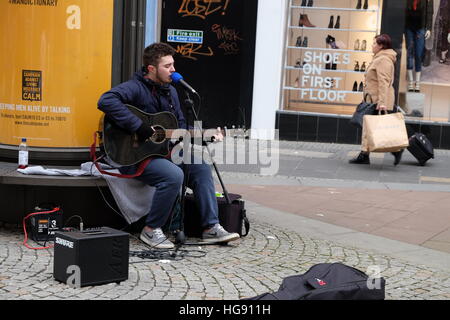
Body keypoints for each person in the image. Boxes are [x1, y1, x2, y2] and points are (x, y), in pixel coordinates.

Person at [97, 42, 240, 249]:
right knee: (173, 175)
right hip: (134, 155)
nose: (173, 70)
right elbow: (106, 101)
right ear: (151, 69)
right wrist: (140, 127)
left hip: (162, 152)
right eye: (168, 66)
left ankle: (211, 227)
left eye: (173, 65)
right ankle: (151, 230)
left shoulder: (171, 92)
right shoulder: (134, 88)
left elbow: (180, 127)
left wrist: (205, 136)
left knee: (200, 168)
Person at [349, 34, 404, 166]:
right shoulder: (379, 58)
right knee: (369, 128)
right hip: (373, 99)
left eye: (374, 44)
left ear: (381, 46)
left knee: (374, 128)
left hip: (378, 101)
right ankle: (365, 154)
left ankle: (395, 150)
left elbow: (383, 82)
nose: (372, 46)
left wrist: (382, 103)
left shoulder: (383, 60)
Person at [404, 0, 434, 92]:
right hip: (408, 27)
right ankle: (410, 82)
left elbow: (429, 12)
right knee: (409, 53)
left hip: (420, 27)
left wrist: (429, 28)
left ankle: (417, 82)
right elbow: (404, 10)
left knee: (418, 54)